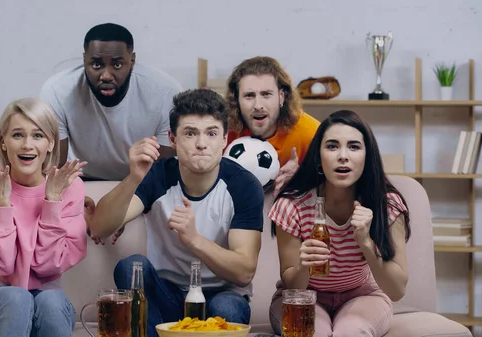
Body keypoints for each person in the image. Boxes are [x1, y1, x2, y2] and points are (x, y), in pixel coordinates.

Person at [87, 88, 265, 337]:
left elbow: (244, 271)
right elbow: (99, 227)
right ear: (172, 139)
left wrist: (194, 240)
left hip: (221, 297)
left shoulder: (243, 185)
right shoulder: (158, 175)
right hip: (167, 297)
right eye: (190, 133)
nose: (201, 144)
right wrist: (134, 177)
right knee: (130, 267)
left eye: (211, 133)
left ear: (225, 139)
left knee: (226, 306)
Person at [267, 110, 411, 336]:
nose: (343, 156)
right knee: (312, 332)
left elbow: (397, 290)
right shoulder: (291, 205)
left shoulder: (388, 205)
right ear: (318, 155)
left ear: (367, 156)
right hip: (303, 295)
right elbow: (293, 286)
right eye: (332, 146)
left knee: (351, 332)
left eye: (354, 147)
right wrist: (305, 264)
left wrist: (366, 243)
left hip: (362, 295)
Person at [0, 98, 88, 337]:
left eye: (37, 135)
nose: (27, 145)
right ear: (3, 142)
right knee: (17, 297)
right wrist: (2, 204)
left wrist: (52, 201)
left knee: (50, 302)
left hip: (45, 298)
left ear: (51, 143)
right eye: (17, 135)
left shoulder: (69, 187)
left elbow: (49, 266)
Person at [40, 22, 183, 182]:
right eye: (96, 64)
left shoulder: (165, 92)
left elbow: (162, 171)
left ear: (132, 60)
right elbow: (54, 168)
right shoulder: (57, 90)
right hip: (83, 179)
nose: (106, 75)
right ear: (84, 60)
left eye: (117, 64)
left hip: (142, 182)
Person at [225, 56, 320, 196]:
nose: (258, 105)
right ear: (236, 100)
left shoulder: (311, 133)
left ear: (281, 97)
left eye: (266, 94)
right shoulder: (223, 132)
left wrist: (302, 177)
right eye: (249, 96)